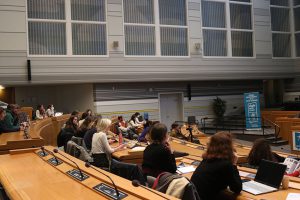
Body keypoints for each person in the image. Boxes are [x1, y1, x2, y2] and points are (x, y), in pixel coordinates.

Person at [191, 132, 242, 200]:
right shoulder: (225, 164)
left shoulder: (206, 159)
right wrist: (234, 164)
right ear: (228, 147)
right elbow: (237, 189)